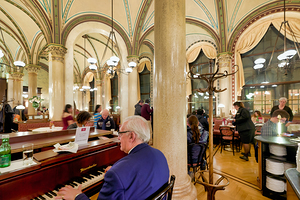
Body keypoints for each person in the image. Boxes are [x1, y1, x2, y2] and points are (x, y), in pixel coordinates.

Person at [56, 116, 170, 200]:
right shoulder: (160, 154)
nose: (119, 138)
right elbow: (139, 174)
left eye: (120, 134)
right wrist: (119, 172)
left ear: (131, 136)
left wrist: (77, 196)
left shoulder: (117, 173)